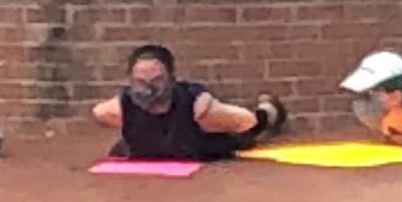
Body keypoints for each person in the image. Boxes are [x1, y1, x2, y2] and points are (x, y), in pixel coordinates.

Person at [89, 44, 285, 163]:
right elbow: (101, 112)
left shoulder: (198, 108)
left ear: (171, 79)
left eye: (157, 80)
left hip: (203, 145)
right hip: (156, 150)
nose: (148, 90)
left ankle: (269, 112)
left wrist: (260, 118)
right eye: (140, 82)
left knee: (245, 134)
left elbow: (246, 122)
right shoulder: (118, 108)